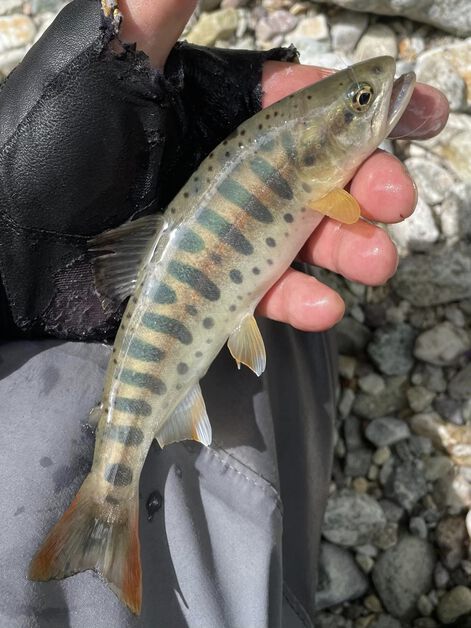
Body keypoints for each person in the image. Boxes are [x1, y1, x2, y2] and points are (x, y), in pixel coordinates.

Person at [0, 1, 448, 627]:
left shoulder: (308, 160)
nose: (374, 100)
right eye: (360, 103)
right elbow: (345, 209)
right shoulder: (308, 169)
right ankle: (110, 509)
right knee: (294, 340)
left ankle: (114, 511)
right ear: (316, 146)